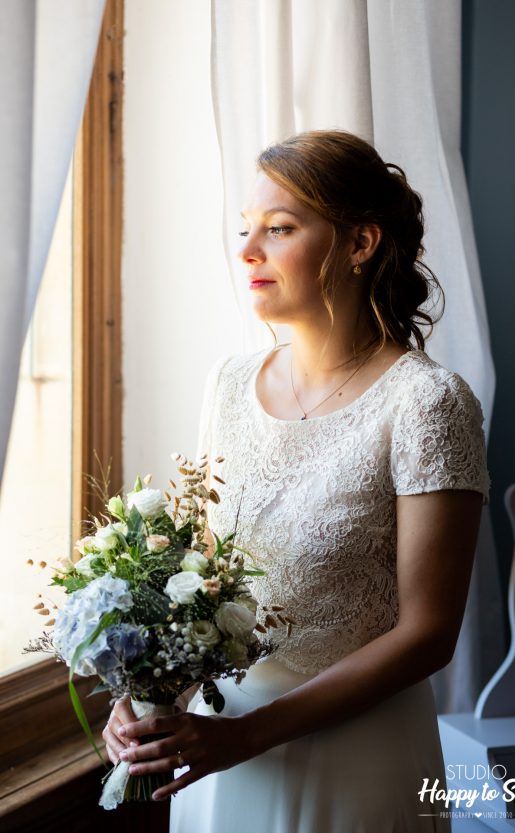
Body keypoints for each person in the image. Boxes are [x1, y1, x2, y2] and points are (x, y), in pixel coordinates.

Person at [103, 130, 490, 832]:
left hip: (356, 751)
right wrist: (137, 695)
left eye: (278, 229)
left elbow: (430, 632)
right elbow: (196, 579)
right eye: (245, 229)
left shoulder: (427, 403)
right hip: (214, 746)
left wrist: (248, 735)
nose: (247, 250)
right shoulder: (226, 384)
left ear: (359, 243)